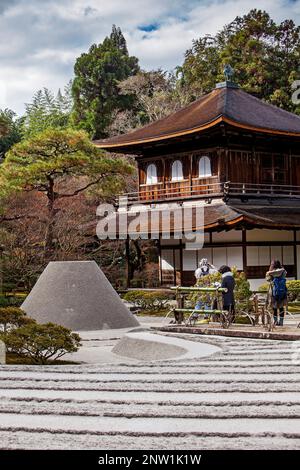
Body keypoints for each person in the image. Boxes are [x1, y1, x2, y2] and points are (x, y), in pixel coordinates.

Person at [266, 260, 287, 326]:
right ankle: (281, 322)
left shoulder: (271, 272)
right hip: (282, 292)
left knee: (274, 308)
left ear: (273, 265)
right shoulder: (283, 271)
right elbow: (286, 273)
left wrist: (269, 272)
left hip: (273, 292)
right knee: (281, 307)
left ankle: (275, 322)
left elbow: (268, 279)